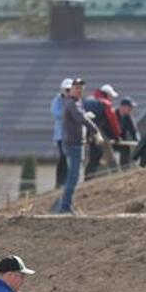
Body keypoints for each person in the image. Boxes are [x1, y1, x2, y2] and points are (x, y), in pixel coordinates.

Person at [55, 78, 92, 214]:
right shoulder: (71, 103)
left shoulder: (77, 102)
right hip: (72, 144)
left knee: (74, 176)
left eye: (81, 88)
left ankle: (66, 204)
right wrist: (95, 130)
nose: (79, 90)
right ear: (71, 89)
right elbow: (81, 119)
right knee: (73, 176)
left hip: (77, 143)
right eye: (76, 88)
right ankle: (65, 206)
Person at [83, 84, 121, 179]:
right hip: (97, 131)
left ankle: (88, 177)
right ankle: (117, 174)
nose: (112, 98)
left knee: (94, 155)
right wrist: (116, 136)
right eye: (111, 96)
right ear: (107, 94)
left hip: (86, 132)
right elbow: (112, 122)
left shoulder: (88, 100)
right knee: (109, 153)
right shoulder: (105, 104)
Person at [51, 79, 72, 188]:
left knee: (71, 158)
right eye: (67, 90)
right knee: (63, 156)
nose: (69, 92)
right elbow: (56, 114)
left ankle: (68, 181)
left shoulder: (74, 101)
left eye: (70, 89)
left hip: (72, 135)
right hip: (60, 135)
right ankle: (60, 181)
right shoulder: (57, 100)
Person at [115, 96, 139, 170]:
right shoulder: (113, 114)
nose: (131, 109)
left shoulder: (127, 117)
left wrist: (138, 141)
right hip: (111, 139)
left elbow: (134, 131)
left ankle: (125, 170)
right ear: (123, 107)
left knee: (126, 149)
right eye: (130, 107)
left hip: (121, 140)